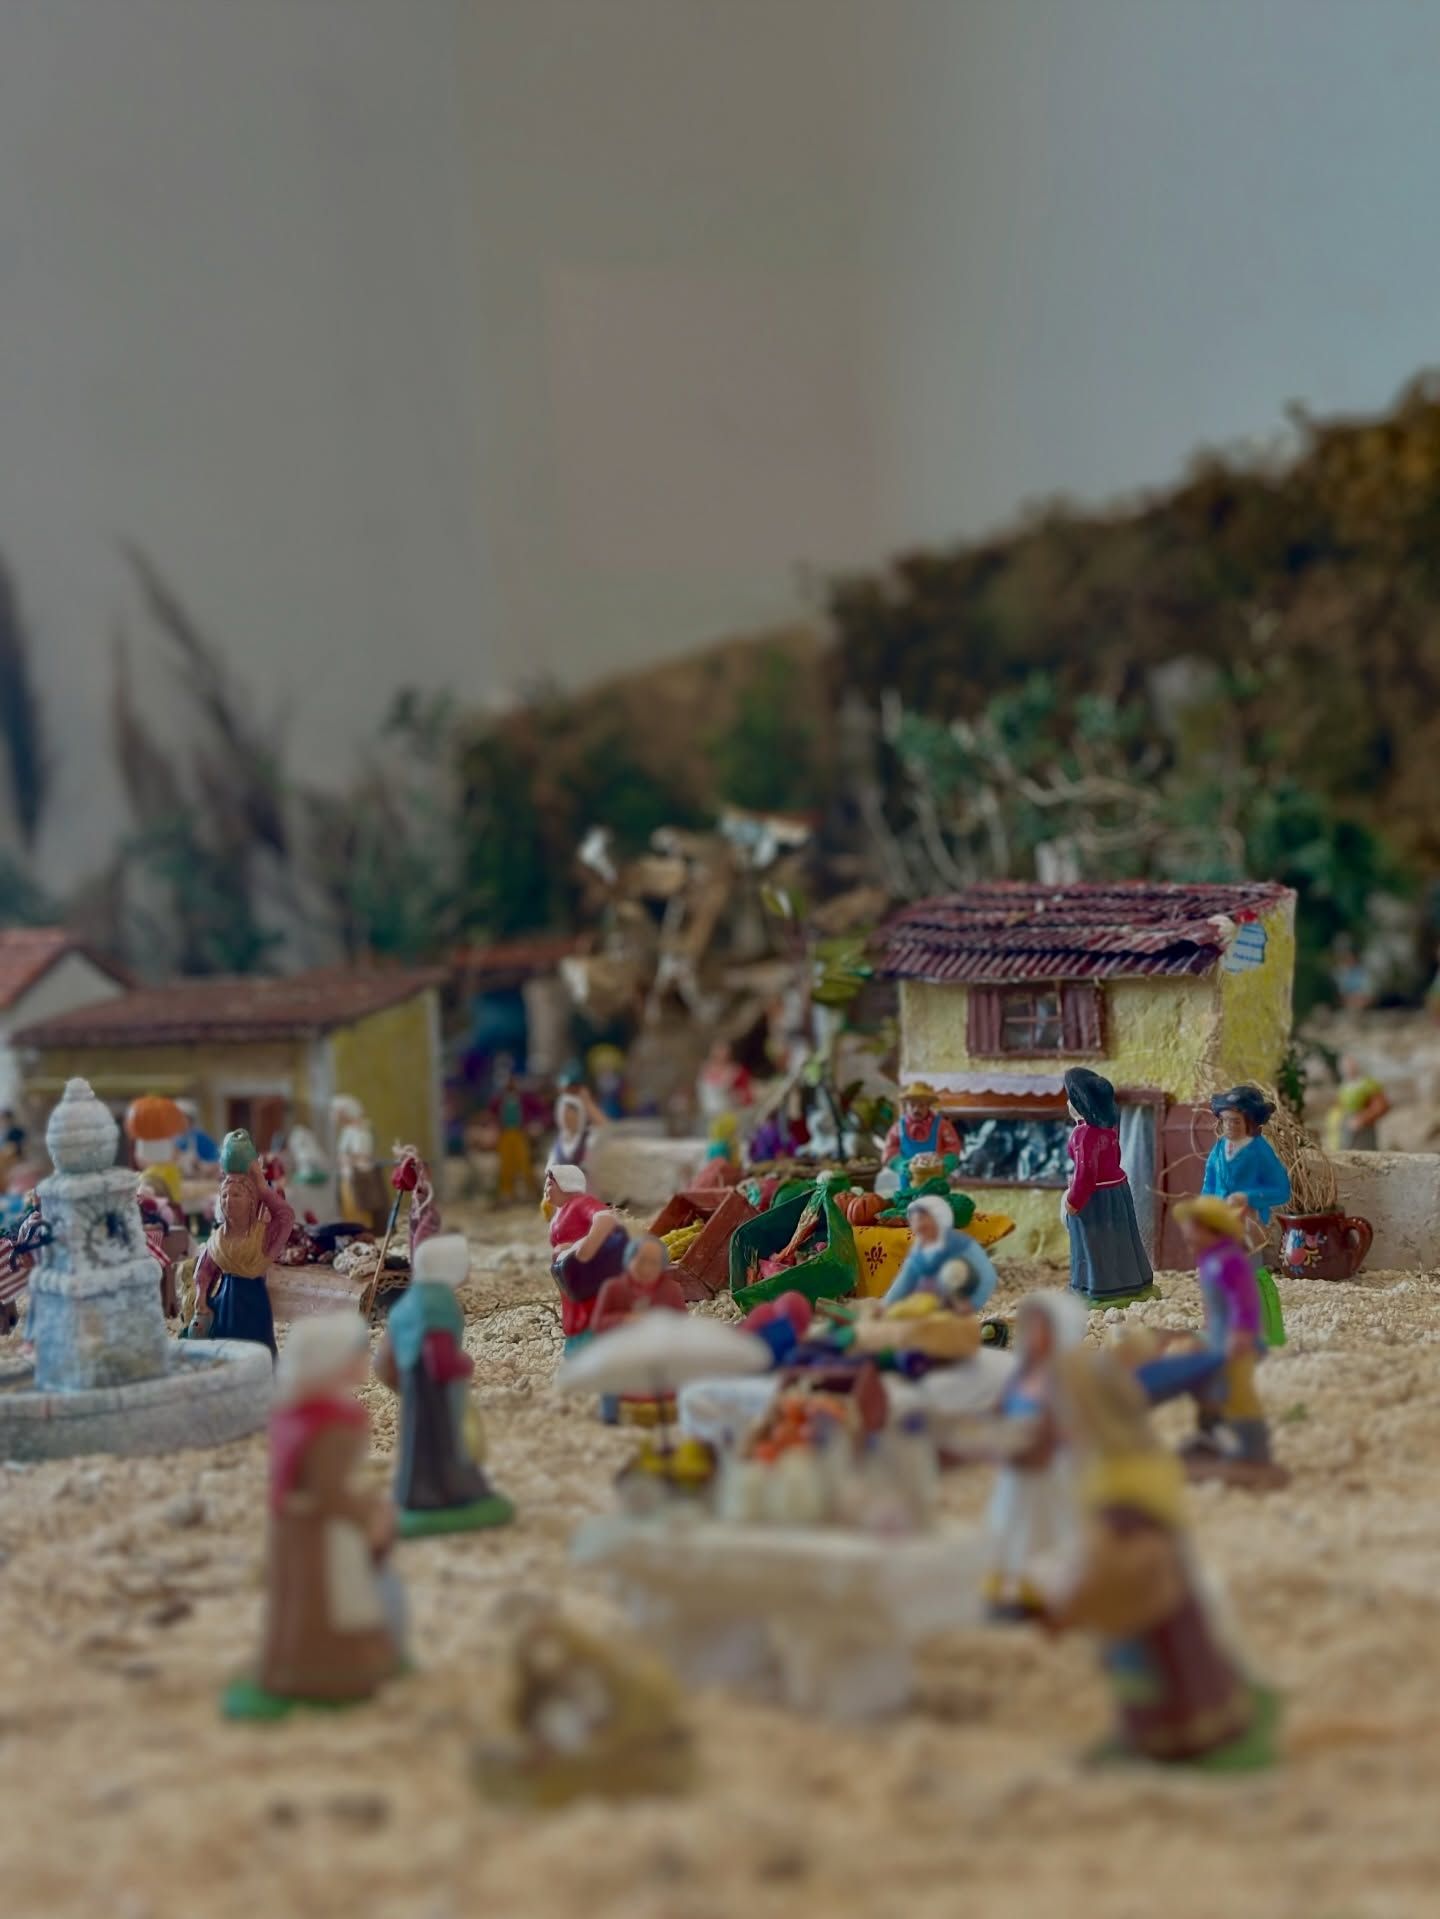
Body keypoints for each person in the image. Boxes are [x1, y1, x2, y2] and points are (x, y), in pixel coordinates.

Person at [1045, 1347, 1274, 1767]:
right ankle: (1188, 1721)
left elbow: (1123, 1550)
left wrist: (1079, 1594)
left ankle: (1177, 1737)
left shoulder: (1119, 1479)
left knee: (1159, 1671)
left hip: (1144, 1596)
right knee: (1175, 1662)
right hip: (1160, 1591)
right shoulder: (1134, 1462)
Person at [229, 1312, 405, 1714]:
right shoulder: (332, 1425)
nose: (366, 1359)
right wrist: (368, 1515)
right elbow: (330, 1492)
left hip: (295, 1527)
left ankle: (292, 1665)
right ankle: (329, 1672)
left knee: (299, 1600)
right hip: (323, 1530)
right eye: (359, 1352)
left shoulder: (294, 1412)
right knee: (330, 1599)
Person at [374, 1233, 513, 1535]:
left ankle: (419, 1492)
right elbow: (437, 1352)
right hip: (432, 1385)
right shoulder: (437, 1301)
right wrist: (462, 1364)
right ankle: (446, 1492)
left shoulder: (416, 1296)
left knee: (421, 1437)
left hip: (416, 1381)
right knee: (443, 1438)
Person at [983, 1289, 1089, 1618]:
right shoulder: (1021, 1373)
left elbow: (1071, 1426)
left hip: (1048, 1470)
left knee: (1047, 1529)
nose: (1035, 1336)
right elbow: (1000, 1410)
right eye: (1032, 1328)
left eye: (1043, 1329)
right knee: (1011, 1527)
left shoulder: (1062, 1379)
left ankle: (1050, 1590)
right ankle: (1014, 1586)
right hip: (1018, 1469)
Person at [1173, 1196, 1276, 1473]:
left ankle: (1254, 1451)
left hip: (1236, 1341)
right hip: (1219, 1337)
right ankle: (1211, 1438)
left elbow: (1245, 1302)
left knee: (1237, 1394)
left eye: (1193, 1231)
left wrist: (1242, 1334)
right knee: (1211, 1388)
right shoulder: (1209, 1259)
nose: (1187, 1238)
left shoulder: (1230, 1261)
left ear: (1212, 1229)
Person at [190, 1131, 295, 1355]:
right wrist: (201, 1295)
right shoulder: (218, 1239)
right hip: (225, 1303)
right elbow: (205, 1269)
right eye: (225, 1196)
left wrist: (262, 1186)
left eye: (237, 1195)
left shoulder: (263, 1236)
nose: (229, 1201)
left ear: (251, 1201)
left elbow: (285, 1216)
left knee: (257, 1350)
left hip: (254, 1304)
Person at [1062, 1068, 1153, 1305]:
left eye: (1070, 1098)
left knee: (1096, 1241)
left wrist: (1073, 1201)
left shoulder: (1083, 1134)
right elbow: (1114, 1159)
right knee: (1120, 1239)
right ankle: (1129, 1281)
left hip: (1096, 1198)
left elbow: (1086, 1173)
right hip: (1117, 1191)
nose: (1067, 1103)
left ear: (1080, 1103)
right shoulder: (1108, 1127)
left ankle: (1100, 1287)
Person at [590, 1235, 688, 1425]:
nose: (646, 1268)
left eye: (653, 1263)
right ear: (629, 1260)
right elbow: (598, 1323)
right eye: (641, 1260)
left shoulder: (671, 1290)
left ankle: (674, 1408)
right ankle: (610, 1413)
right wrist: (625, 1319)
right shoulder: (613, 1288)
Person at [544, 1165, 629, 1357]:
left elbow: (605, 1218)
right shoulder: (561, 1211)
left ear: (566, 1185)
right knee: (575, 1308)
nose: (546, 1190)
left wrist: (584, 1247)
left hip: (587, 1272)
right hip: (570, 1275)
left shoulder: (581, 1202)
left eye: (550, 1185)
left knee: (590, 1307)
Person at [883, 1194, 999, 1312]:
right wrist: (886, 1305)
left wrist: (973, 1302)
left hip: (955, 1308)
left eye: (922, 1219)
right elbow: (905, 1281)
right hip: (924, 1308)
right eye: (914, 1220)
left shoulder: (960, 1244)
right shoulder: (919, 1250)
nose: (918, 1225)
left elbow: (986, 1274)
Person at [1201, 1086, 1291, 1228]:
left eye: (1236, 1121)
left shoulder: (1260, 1150)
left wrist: (1247, 1197)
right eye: (1226, 1120)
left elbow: (1281, 1190)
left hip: (1250, 1222)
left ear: (1250, 1122)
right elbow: (1209, 1182)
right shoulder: (1219, 1148)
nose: (1229, 1126)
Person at [332, 1096, 388, 1231]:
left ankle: (364, 1231)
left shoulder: (360, 1129)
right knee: (349, 1209)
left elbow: (363, 1154)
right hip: (348, 1175)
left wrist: (347, 1158)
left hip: (359, 1177)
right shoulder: (347, 1130)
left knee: (361, 1209)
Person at [881, 1084, 962, 1174]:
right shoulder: (898, 1128)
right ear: (906, 1106)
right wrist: (899, 1164)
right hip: (908, 1176)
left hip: (936, 1175)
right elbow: (889, 1149)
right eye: (912, 1105)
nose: (916, 1109)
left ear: (928, 1106)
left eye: (921, 1105)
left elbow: (953, 1145)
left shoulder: (942, 1125)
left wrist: (948, 1163)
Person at [1324, 1055, 1390, 1154]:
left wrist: (1362, 1118)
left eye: (1351, 1065)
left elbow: (1381, 1106)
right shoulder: (1344, 1086)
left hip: (1363, 1127)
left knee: (1364, 1152)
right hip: (1346, 1126)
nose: (1348, 1069)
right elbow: (1340, 1105)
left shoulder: (1368, 1084)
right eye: (1345, 1066)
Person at [494, 1066, 537, 1204]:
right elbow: (491, 1115)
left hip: (520, 1134)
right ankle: (507, 1193)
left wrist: (535, 1124)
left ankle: (530, 1192)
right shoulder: (499, 1099)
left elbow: (540, 1111)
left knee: (524, 1163)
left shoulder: (525, 1098)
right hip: (505, 1134)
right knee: (506, 1165)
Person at [546, 1091, 592, 1177]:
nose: (568, 1119)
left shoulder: (589, 1139)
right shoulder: (559, 1141)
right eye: (565, 1115)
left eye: (572, 1115)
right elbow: (549, 1168)